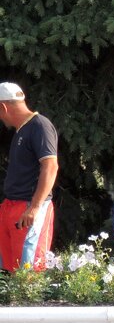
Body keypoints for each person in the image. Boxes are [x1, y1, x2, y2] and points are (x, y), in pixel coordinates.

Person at [0, 82, 59, 273]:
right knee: (10, 269)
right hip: (12, 205)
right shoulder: (22, 129)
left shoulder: (40, 125)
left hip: (29, 208)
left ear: (3, 107)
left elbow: (51, 166)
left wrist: (34, 207)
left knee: (29, 271)